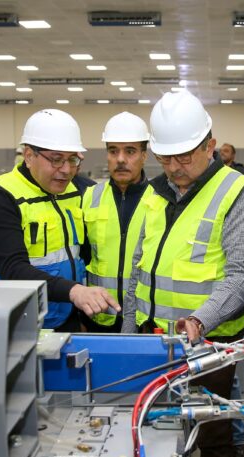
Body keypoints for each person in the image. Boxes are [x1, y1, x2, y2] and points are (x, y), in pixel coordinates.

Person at [121, 90, 244, 457]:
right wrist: (128, 334)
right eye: (165, 157)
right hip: (155, 337)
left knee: (213, 434)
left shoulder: (237, 192)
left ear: (210, 146)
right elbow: (138, 269)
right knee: (154, 426)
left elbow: (242, 275)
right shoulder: (154, 192)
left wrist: (201, 319)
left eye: (183, 156)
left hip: (210, 345)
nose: (174, 167)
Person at [0, 109, 119, 331]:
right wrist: (75, 291)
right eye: (56, 160)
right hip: (12, 323)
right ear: (29, 156)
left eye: (72, 159)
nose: (66, 170)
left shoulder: (77, 190)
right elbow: (13, 269)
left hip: (64, 316)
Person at [82, 112, 153, 332]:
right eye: (113, 151)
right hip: (99, 317)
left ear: (144, 155)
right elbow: (81, 257)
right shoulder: (90, 197)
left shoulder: (160, 200)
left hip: (143, 319)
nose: (120, 159)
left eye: (130, 151)